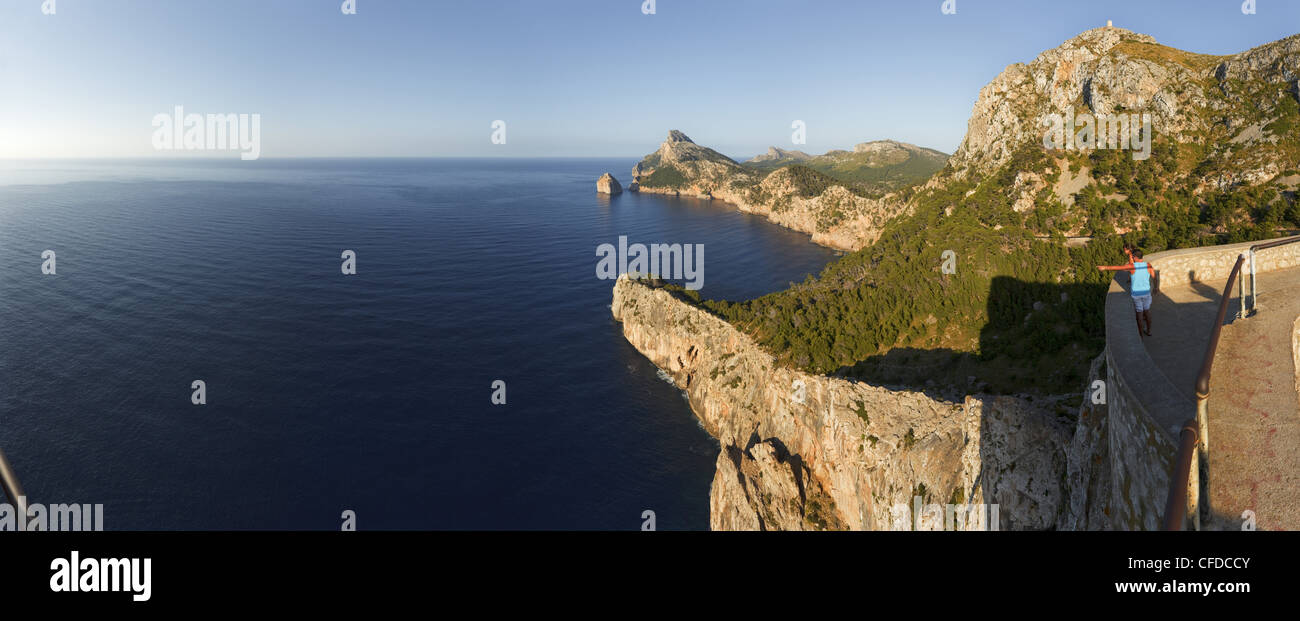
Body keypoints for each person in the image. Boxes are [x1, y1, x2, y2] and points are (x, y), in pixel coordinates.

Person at [1099, 247, 1157, 336]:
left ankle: (1140, 335)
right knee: (1147, 311)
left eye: (1133, 257)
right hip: (1146, 293)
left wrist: (1104, 267)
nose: (1132, 259)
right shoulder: (1148, 265)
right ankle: (1149, 331)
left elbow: (1118, 268)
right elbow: (1154, 277)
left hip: (1136, 294)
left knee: (1139, 314)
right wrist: (1156, 288)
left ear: (1136, 257)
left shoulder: (1132, 267)